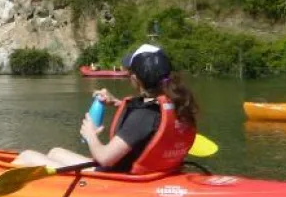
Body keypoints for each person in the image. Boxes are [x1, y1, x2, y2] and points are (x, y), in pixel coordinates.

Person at [13, 44, 199, 174]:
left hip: (117, 179)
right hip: (149, 174)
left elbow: (105, 158)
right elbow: (149, 125)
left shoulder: (143, 117)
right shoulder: (175, 103)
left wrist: (90, 135)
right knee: (55, 152)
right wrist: (116, 103)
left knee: (26, 156)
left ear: (135, 79)